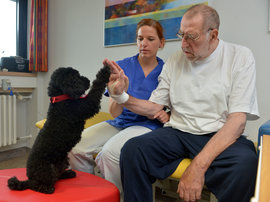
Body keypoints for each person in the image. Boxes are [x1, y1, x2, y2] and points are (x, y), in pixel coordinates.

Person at [106, 4, 260, 202]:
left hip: (219, 133)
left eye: (192, 36)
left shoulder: (239, 57)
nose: (183, 44)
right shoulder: (175, 60)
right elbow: (154, 107)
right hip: (178, 132)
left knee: (246, 164)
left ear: (212, 35)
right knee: (133, 150)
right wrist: (120, 96)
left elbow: (237, 121)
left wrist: (197, 167)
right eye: (181, 35)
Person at [68, 18, 169, 193]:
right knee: (75, 146)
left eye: (150, 39)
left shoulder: (167, 71)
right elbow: (115, 113)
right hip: (120, 122)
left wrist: (164, 113)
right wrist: (116, 92)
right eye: (140, 38)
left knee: (109, 155)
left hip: (147, 126)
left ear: (161, 43)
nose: (143, 44)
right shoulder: (121, 67)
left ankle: (118, 196)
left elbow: (163, 109)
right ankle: (88, 193)